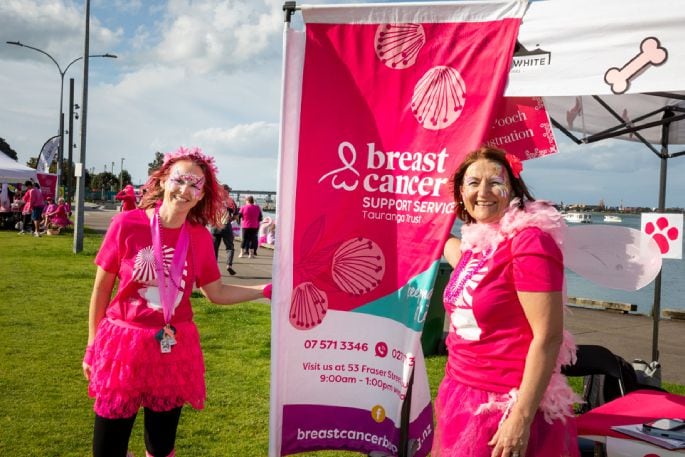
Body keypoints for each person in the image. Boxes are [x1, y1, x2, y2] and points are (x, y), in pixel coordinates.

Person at [82, 146, 272, 457]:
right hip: (121, 344)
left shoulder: (197, 236)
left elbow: (216, 292)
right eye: (180, 180)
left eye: (195, 184)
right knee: (107, 449)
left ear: (201, 195)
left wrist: (263, 289)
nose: (185, 190)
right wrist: (92, 346)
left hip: (171, 348)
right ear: (163, 181)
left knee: (160, 448)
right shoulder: (126, 224)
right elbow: (101, 290)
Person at [433, 146, 579, 457]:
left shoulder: (529, 242)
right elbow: (455, 252)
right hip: (460, 390)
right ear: (460, 192)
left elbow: (548, 336)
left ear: (512, 190)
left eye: (494, 182)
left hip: (505, 405)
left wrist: (520, 418)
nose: (483, 192)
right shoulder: (478, 242)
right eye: (473, 183)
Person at [209, 184, 238, 275]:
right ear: (227, 192)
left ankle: (214, 268)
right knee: (230, 248)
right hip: (226, 226)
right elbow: (236, 216)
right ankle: (229, 265)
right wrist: (230, 219)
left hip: (214, 226)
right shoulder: (231, 201)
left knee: (214, 249)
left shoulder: (213, 201)